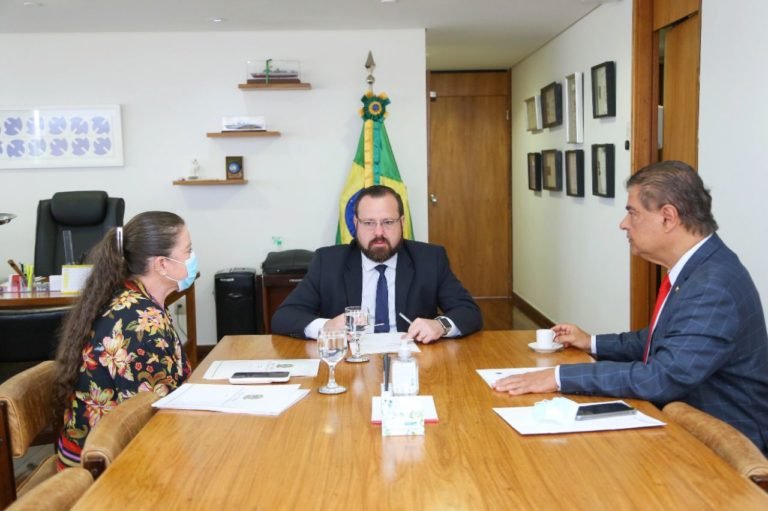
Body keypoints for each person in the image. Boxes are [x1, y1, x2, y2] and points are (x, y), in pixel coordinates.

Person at [494, 161, 768, 454]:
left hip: (726, 447)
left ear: (668, 217)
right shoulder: (700, 268)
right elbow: (663, 339)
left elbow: (663, 377)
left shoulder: (712, 285)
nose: (623, 223)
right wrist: (592, 342)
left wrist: (557, 377)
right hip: (685, 422)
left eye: (632, 212)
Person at [55, 211, 196, 469]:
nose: (193, 258)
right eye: (188, 251)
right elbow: (155, 420)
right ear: (162, 264)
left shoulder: (129, 298)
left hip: (86, 450)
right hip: (100, 468)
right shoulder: (144, 326)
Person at [271, 185, 482, 343]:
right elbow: (284, 317)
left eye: (388, 222)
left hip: (411, 362)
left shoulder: (430, 259)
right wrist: (327, 326)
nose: (379, 232)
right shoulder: (328, 262)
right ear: (356, 224)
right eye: (369, 223)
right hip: (349, 365)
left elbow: (469, 311)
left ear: (402, 223)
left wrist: (440, 325)